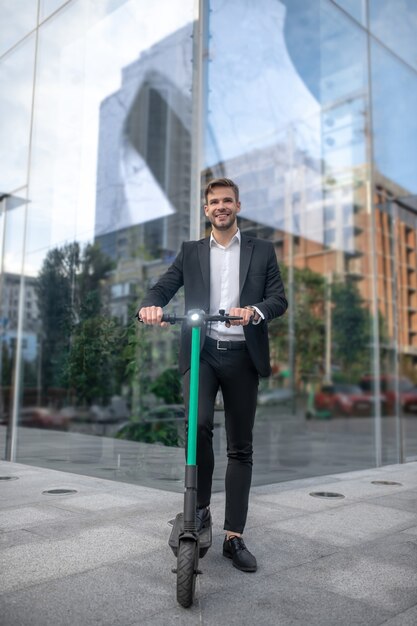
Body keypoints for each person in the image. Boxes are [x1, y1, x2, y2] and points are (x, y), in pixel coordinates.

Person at [138, 177, 287, 572]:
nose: (220, 206)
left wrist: (254, 311)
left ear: (237, 205)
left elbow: (278, 299)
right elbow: (164, 286)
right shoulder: (190, 252)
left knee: (240, 446)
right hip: (202, 352)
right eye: (213, 202)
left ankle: (234, 537)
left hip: (243, 355)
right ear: (206, 210)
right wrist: (149, 307)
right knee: (198, 425)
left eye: (227, 200)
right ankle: (199, 511)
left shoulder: (262, 250)